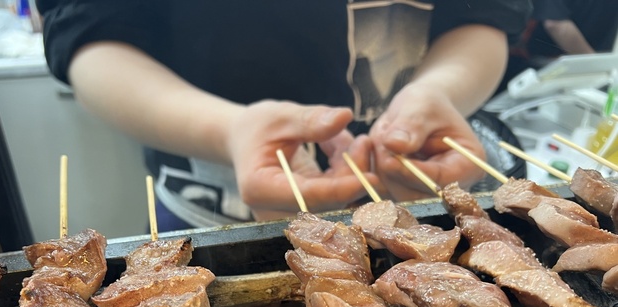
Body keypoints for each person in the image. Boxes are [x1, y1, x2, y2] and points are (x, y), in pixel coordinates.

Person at [35, 1, 531, 231]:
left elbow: (484, 18)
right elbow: (89, 37)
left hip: (418, 195)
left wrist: (439, 90)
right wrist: (229, 131)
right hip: (210, 210)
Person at [500, 0, 618, 92]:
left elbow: (556, 24)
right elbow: (556, 24)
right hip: (541, 64)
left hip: (580, 69)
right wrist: (596, 65)